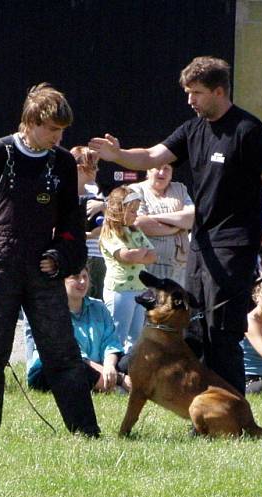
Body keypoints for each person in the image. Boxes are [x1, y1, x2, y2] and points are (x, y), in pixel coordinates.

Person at [90, 56, 262, 394]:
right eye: (187, 93)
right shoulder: (193, 129)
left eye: (196, 93)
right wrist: (118, 155)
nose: (189, 100)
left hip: (234, 246)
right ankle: (203, 409)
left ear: (219, 91)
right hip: (200, 245)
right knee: (194, 325)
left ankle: (230, 413)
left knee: (222, 329)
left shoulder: (248, 131)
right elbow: (152, 157)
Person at [0, 83, 101, 437]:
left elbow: (69, 219)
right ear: (31, 121)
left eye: (62, 130)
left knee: (63, 351)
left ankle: (85, 431)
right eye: (52, 129)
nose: (58, 137)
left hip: (42, 262)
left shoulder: (63, 163)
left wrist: (60, 256)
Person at [27, 268, 130, 393]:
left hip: (99, 365)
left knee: (133, 359)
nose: (82, 281)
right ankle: (117, 387)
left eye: (85, 277)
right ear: (61, 282)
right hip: (58, 368)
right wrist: (120, 378)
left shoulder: (99, 307)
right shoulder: (52, 312)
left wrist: (109, 366)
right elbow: (75, 356)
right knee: (72, 366)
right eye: (75, 277)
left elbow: (111, 342)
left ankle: (108, 383)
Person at [99, 186, 156, 351]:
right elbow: (125, 257)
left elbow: (152, 256)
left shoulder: (135, 231)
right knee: (118, 333)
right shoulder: (110, 233)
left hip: (140, 289)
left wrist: (138, 253)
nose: (136, 215)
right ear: (118, 210)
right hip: (120, 291)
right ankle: (113, 369)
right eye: (132, 211)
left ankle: (129, 369)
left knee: (137, 335)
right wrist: (140, 252)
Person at [130, 163, 195, 286]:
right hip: (147, 265)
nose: (162, 172)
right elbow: (139, 223)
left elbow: (191, 219)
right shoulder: (136, 190)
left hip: (178, 266)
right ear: (148, 171)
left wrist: (154, 218)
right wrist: (177, 226)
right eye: (157, 168)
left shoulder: (180, 189)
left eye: (166, 169)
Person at [70, 146, 106, 298]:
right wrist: (89, 235)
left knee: (95, 303)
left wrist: (104, 205)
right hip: (75, 256)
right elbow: (59, 232)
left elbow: (116, 221)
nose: (96, 170)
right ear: (79, 168)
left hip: (98, 257)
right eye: (93, 166)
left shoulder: (96, 193)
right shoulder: (63, 193)